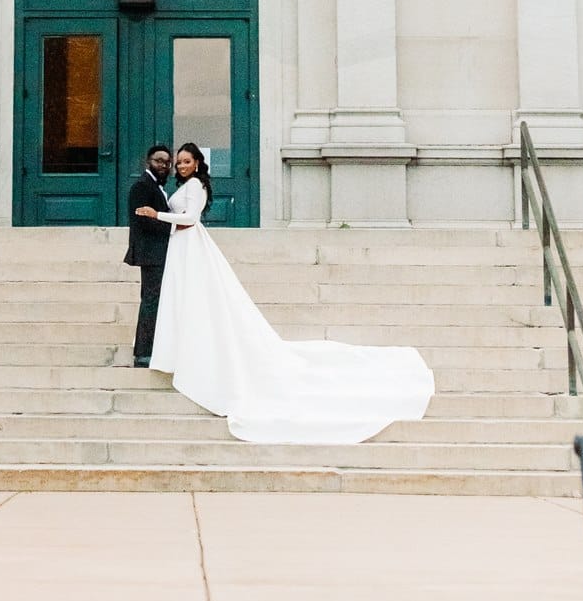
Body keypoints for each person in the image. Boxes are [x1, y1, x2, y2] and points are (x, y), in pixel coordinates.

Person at [136, 142, 435, 444]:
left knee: (200, 300)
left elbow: (190, 219)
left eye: (186, 162)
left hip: (191, 245)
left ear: (198, 164)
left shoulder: (197, 186)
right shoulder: (185, 185)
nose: (181, 166)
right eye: (180, 162)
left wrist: (156, 215)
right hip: (181, 248)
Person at [123, 145, 173, 367]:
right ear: (148, 162)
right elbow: (143, 220)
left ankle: (150, 349)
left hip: (159, 253)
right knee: (151, 302)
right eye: (158, 161)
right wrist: (174, 227)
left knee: (155, 301)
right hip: (152, 254)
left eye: (166, 162)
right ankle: (143, 353)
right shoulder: (142, 186)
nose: (163, 165)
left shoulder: (156, 186)